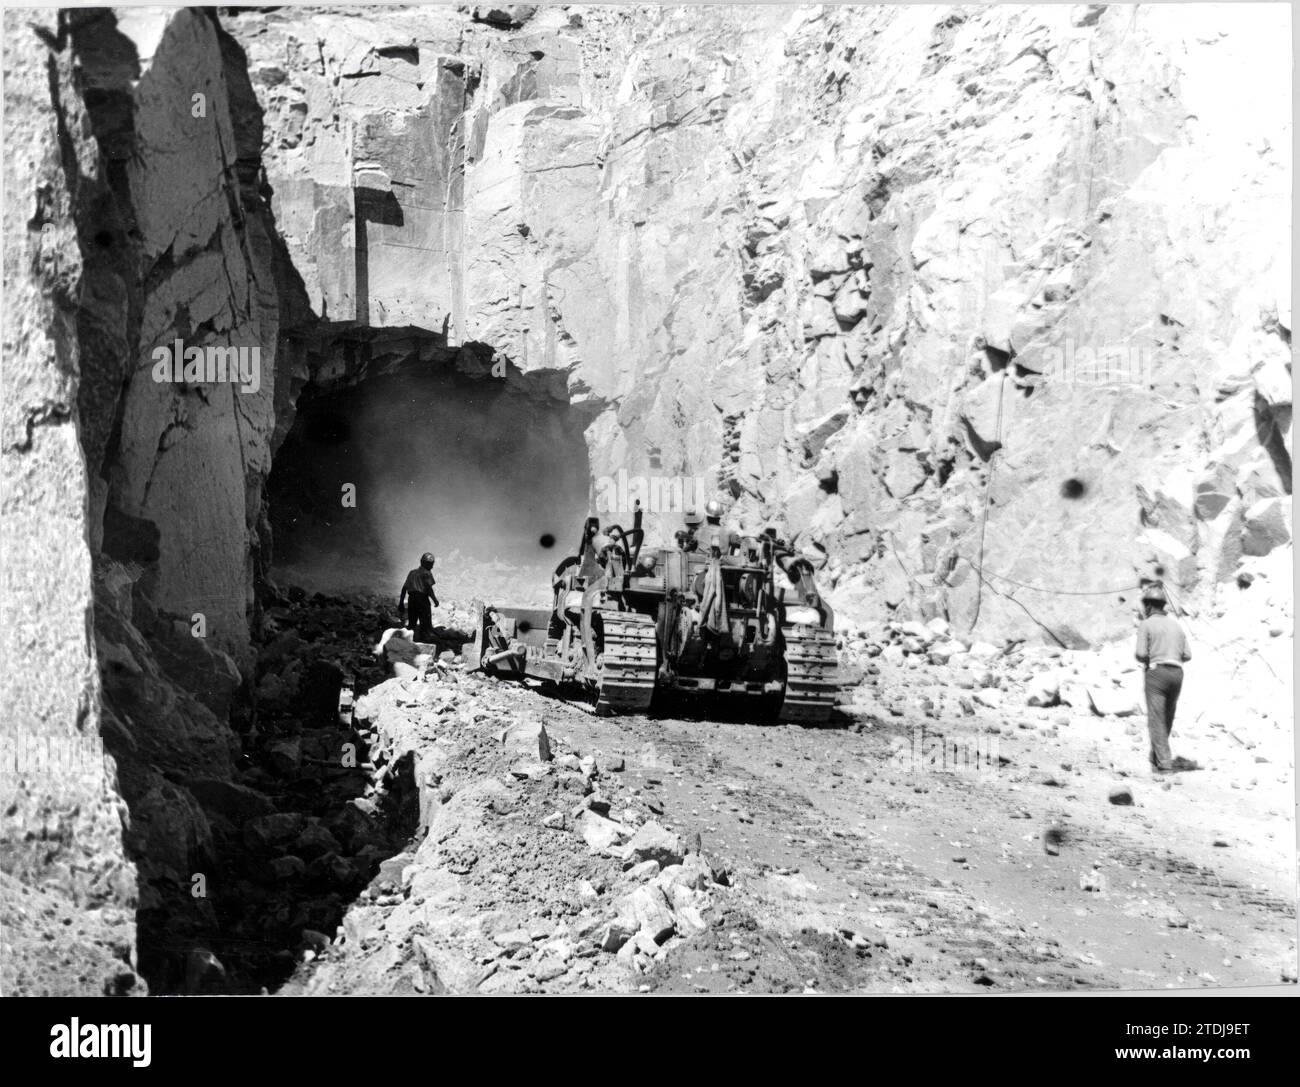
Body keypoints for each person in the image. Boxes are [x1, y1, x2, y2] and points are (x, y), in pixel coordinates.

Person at [1134, 584, 1196, 773]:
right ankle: (1156, 759)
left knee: (1156, 719)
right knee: (1166, 717)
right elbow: (1187, 655)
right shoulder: (1177, 626)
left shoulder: (1147, 624)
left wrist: (1151, 657)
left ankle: (1165, 763)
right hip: (1177, 674)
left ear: (1150, 606)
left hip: (1157, 673)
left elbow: (1140, 653)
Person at [398, 552, 438, 643]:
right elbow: (429, 589)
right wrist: (435, 600)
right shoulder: (427, 573)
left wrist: (401, 603)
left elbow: (404, 588)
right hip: (422, 600)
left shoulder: (412, 573)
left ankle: (410, 641)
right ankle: (424, 642)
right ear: (423, 563)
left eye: (432, 564)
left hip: (412, 599)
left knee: (412, 623)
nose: (431, 567)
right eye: (430, 564)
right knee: (425, 622)